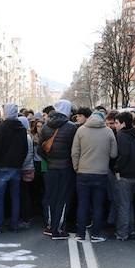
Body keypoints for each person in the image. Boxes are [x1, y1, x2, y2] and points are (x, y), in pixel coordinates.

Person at [71, 109, 117, 242]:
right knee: (98, 205)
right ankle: (96, 234)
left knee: (82, 204)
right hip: (101, 173)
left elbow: (75, 152)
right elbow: (113, 154)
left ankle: (80, 234)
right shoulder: (108, 131)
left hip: (83, 172)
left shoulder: (81, 130)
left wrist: (76, 167)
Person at [39, 100, 78, 240]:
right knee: (63, 198)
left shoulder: (45, 126)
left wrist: (48, 160)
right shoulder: (72, 127)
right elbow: (75, 149)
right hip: (66, 168)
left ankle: (50, 226)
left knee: (50, 196)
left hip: (50, 167)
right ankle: (59, 228)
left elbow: (40, 149)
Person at [0, 103, 28, 233]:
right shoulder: (21, 128)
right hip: (16, 167)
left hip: (2, 166)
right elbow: (25, 149)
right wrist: (19, 162)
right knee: (15, 197)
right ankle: (14, 224)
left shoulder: (2, 128)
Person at [113, 111, 135, 241]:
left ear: (123, 123)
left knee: (123, 204)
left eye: (116, 123)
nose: (115, 125)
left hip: (124, 175)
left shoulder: (121, 136)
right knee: (129, 203)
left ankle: (122, 233)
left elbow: (123, 155)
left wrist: (117, 169)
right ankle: (131, 229)